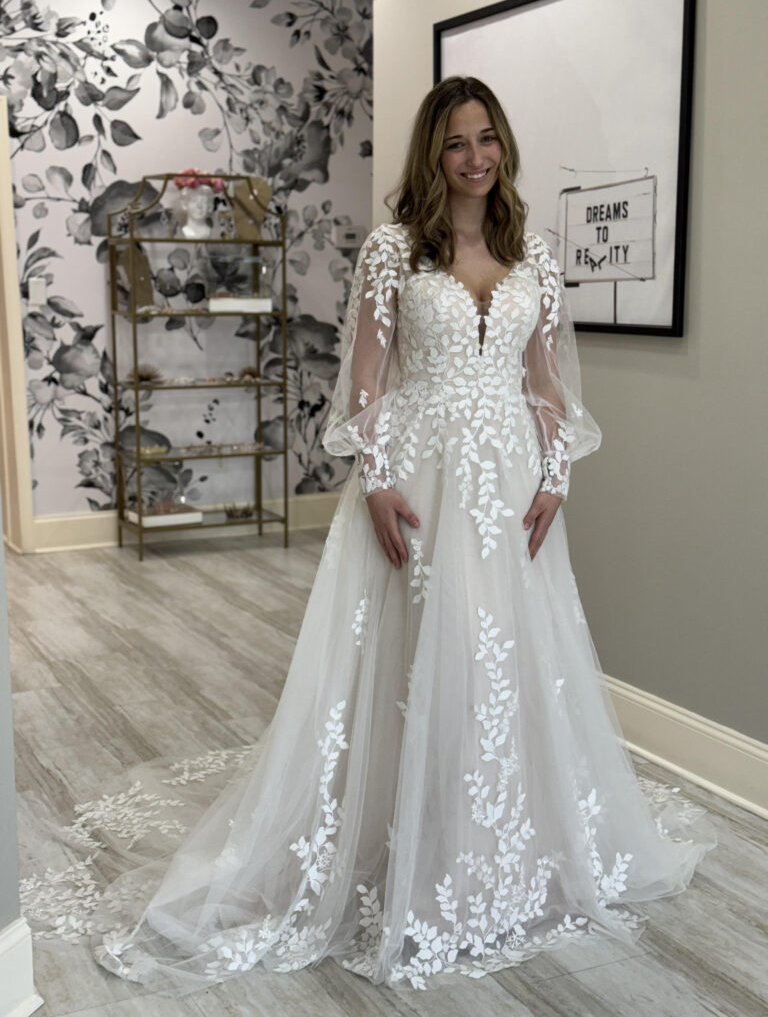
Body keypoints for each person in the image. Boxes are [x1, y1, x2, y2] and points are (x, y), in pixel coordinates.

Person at [24, 76, 716, 995]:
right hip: (420, 477)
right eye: (456, 143)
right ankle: (409, 840)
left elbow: (547, 386)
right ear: (433, 156)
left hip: (507, 480)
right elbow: (368, 383)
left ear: (502, 146)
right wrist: (378, 483)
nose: (475, 157)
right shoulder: (394, 251)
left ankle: (500, 843)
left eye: (487, 139)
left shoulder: (534, 257)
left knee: (500, 656)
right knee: (423, 654)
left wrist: (556, 480)